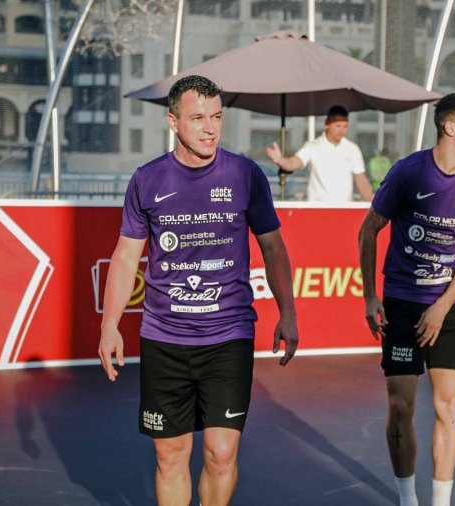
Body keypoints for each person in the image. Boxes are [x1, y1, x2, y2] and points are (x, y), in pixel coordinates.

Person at [98, 75, 299, 506]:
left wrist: (288, 312)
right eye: (198, 118)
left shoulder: (245, 175)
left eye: (217, 117)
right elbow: (126, 257)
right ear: (173, 122)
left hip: (228, 337)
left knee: (221, 453)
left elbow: (273, 247)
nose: (210, 128)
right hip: (164, 339)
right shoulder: (147, 179)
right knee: (170, 454)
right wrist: (109, 325)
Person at [358, 93, 455, 506]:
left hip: (448, 308)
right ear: (451, 127)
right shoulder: (408, 172)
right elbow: (368, 230)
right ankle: (407, 500)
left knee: (450, 407)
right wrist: (370, 296)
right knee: (401, 407)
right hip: (401, 305)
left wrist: (441, 306)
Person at [266, 105, 374, 202]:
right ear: (327, 124)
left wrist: (376, 205)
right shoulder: (313, 147)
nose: (342, 130)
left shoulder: (352, 149)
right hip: (317, 210)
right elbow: (294, 163)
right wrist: (280, 160)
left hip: (344, 210)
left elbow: (362, 183)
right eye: (338, 126)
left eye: (345, 126)